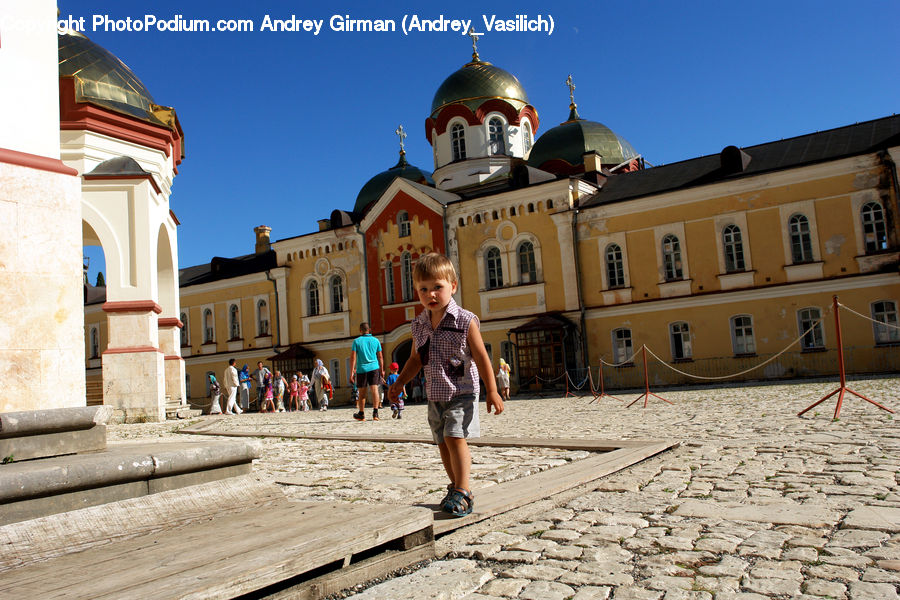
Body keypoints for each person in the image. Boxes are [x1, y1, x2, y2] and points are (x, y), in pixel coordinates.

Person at [389, 253, 503, 518]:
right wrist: (399, 383)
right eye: (424, 289)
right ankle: (455, 488)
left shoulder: (465, 321)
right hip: (435, 394)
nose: (431, 294)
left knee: (455, 436)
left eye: (437, 287)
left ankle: (463, 491)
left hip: (462, 392)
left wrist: (493, 390)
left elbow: (481, 356)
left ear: (453, 286)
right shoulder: (418, 325)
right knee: (442, 441)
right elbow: (416, 358)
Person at [350, 322, 384, 421]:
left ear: (360, 330)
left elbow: (353, 357)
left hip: (362, 369)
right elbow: (380, 356)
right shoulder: (376, 340)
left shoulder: (356, 341)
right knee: (375, 390)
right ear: (369, 330)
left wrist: (352, 371)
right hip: (374, 368)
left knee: (362, 392)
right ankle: (375, 413)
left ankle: (361, 414)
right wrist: (382, 370)